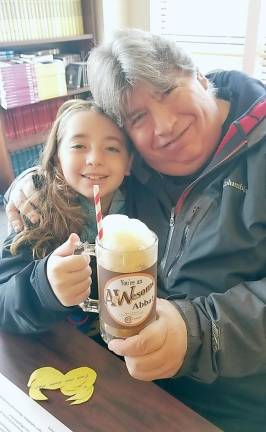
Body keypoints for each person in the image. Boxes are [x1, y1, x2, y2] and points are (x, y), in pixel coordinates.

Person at [4, 29, 266, 431]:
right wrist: (38, 180)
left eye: (166, 90)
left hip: (229, 401)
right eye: (138, 118)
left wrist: (199, 331)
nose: (163, 127)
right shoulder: (137, 168)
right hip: (126, 381)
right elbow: (86, 148)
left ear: (198, 75)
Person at [0, 98, 132, 337]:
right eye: (79, 146)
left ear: (129, 163)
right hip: (61, 349)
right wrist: (45, 287)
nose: (94, 158)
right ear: (57, 157)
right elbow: (3, 300)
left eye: (112, 148)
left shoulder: (144, 207)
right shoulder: (36, 211)